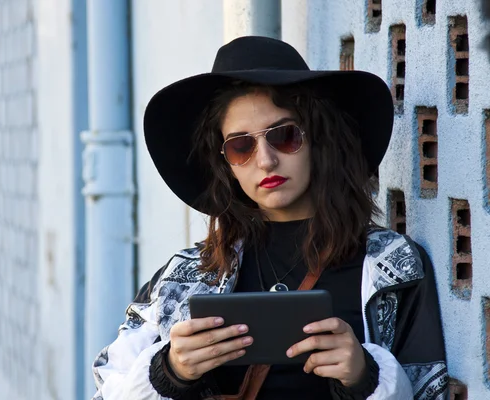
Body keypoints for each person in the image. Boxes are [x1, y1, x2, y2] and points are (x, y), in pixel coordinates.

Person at [92, 36, 448, 400]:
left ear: (320, 139)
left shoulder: (393, 266)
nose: (265, 160)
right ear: (225, 164)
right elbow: (108, 387)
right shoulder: (186, 275)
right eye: (241, 146)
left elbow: (431, 391)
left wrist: (364, 376)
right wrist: (169, 372)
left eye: (285, 136)